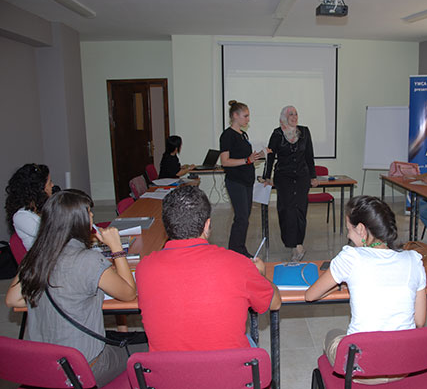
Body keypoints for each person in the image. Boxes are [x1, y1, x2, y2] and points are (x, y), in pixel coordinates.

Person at [5, 190, 137, 387]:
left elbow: (12, 299)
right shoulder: (89, 260)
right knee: (146, 349)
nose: (92, 216)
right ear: (79, 221)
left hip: (43, 367)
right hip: (82, 369)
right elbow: (129, 293)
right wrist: (117, 249)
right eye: (89, 213)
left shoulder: (36, 255)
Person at [136, 185, 281, 351]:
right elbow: (274, 303)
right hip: (230, 373)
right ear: (207, 225)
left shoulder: (144, 268)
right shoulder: (239, 264)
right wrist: (261, 274)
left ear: (166, 225)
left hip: (168, 374)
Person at [305, 196, 427, 374]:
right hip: (402, 367)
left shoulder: (350, 257)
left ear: (361, 229)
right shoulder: (414, 260)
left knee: (333, 335)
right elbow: (420, 321)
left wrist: (338, 285)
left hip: (362, 368)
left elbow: (310, 295)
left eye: (349, 229)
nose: (348, 235)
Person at [264, 105, 318, 261]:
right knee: (287, 210)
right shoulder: (277, 133)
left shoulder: (304, 132)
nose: (294, 117)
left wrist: (313, 176)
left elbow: (309, 155)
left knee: (300, 210)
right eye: (291, 114)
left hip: (302, 177)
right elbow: (270, 156)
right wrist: (267, 176)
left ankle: (298, 244)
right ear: (284, 116)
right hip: (284, 177)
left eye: (296, 114)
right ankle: (292, 244)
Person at [219, 100, 264, 257]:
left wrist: (256, 157)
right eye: (245, 116)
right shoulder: (227, 135)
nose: (248, 119)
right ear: (235, 116)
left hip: (246, 181)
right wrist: (247, 160)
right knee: (241, 218)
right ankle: (236, 251)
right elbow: (225, 161)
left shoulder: (243, 135)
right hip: (235, 181)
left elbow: (246, 158)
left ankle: (239, 248)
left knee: (244, 218)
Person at [5, 163, 54, 250]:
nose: (52, 185)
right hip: (44, 261)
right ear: (39, 189)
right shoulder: (21, 217)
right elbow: (52, 236)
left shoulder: (44, 208)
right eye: (49, 182)